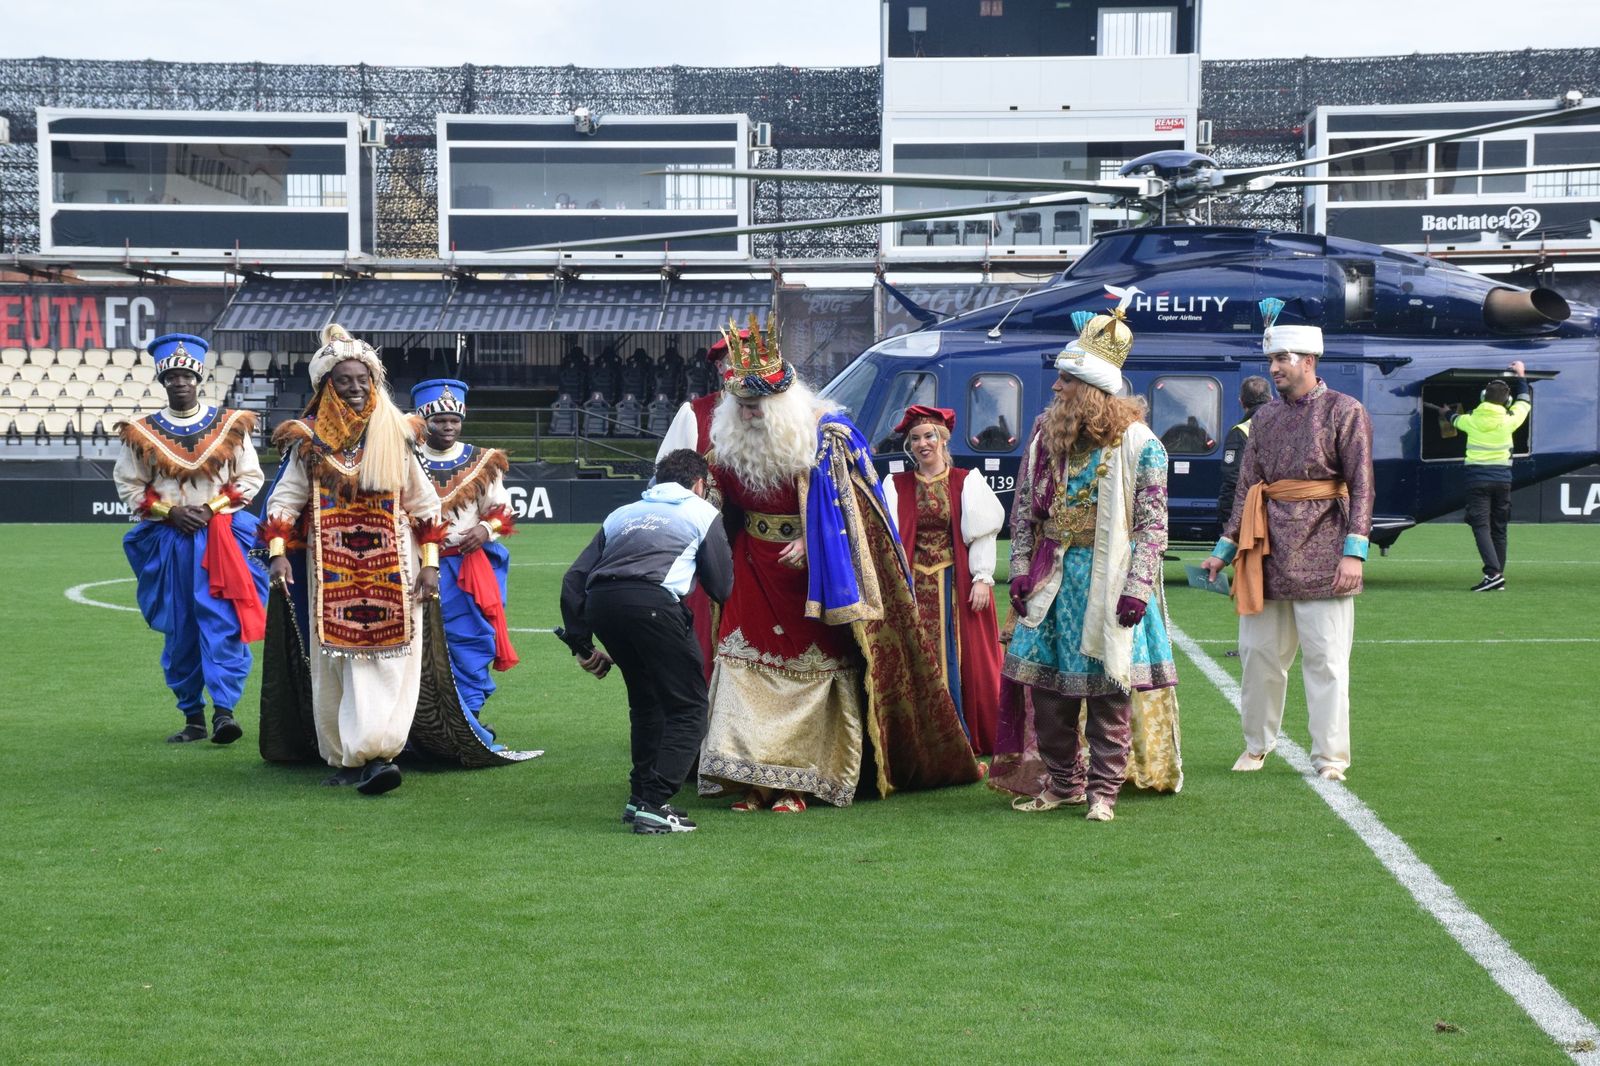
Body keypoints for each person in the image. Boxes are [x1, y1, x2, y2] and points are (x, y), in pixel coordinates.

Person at [696, 315, 981, 813]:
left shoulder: (828, 437)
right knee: (744, 668)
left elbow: (857, 514)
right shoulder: (727, 448)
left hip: (815, 579)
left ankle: (800, 783)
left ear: (782, 402)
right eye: (740, 405)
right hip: (752, 570)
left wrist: (813, 542)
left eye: (757, 405)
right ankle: (753, 780)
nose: (747, 414)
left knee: (811, 672)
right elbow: (716, 508)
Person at [993, 300, 1180, 822]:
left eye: (1066, 381)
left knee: (1107, 695)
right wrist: (1021, 569)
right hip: (1052, 582)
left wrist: (1137, 589)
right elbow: (1024, 512)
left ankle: (1103, 792)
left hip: (1109, 584)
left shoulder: (1142, 445)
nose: (1056, 388)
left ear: (1092, 389)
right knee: (1048, 697)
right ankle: (1064, 784)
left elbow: (1152, 526)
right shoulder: (1044, 438)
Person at [262, 324, 443, 796]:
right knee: (336, 666)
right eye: (345, 380)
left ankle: (378, 755)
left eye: (363, 379)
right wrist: (278, 554)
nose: (356, 387)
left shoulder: (399, 434)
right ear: (327, 385)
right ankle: (347, 756)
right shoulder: (307, 441)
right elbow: (284, 501)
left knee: (391, 663)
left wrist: (430, 563)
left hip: (396, 568)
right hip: (329, 570)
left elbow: (426, 505)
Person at [1201, 305, 1374, 783]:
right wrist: (1223, 549)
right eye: (1271, 360)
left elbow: (1362, 485)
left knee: (1327, 662)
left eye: (1282, 358)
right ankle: (1256, 745)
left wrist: (1355, 552)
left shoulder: (1345, 410)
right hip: (1266, 553)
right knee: (1258, 657)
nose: (1274, 368)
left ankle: (1331, 757)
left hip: (1327, 553)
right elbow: (1246, 489)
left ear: (1309, 361)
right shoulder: (1264, 419)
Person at [558, 449, 734, 834]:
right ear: (700, 484)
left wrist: (582, 646)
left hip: (602, 605)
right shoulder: (702, 511)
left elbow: (573, 580)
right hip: (654, 605)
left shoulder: (623, 513)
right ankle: (655, 804)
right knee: (689, 708)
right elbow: (721, 587)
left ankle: (639, 797)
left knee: (647, 702)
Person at [114, 333, 267, 744]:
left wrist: (212, 507)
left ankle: (224, 712)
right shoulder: (142, 433)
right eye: (172, 376)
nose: (180, 382)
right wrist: (171, 512)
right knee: (181, 627)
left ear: (198, 378)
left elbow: (250, 477)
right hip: (171, 538)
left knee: (223, 623)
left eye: (186, 375)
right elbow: (129, 485)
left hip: (223, 536)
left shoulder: (230, 425)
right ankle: (193, 717)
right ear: (162, 381)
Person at [881, 404, 1005, 755]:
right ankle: (922, 737)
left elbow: (982, 534)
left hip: (954, 584)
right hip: (912, 586)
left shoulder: (966, 482)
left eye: (929, 436)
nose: (922, 444)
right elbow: (888, 540)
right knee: (916, 657)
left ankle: (959, 733)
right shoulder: (896, 486)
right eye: (915, 438)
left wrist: (982, 577)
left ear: (943, 439)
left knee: (959, 657)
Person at [411, 378, 519, 746]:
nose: (448, 427)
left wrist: (486, 530)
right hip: (413, 566)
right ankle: (416, 722)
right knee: (414, 643)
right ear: (424, 420)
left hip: (465, 568)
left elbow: (502, 510)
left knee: (471, 640)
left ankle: (469, 719)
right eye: (439, 420)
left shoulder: (483, 461)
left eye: (454, 421)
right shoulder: (405, 458)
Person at [654, 336, 731, 679]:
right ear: (720, 368)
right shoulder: (695, 414)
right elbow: (665, 480)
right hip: (705, 546)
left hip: (760, 549)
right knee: (702, 638)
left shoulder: (778, 417)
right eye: (733, 362)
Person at [1448, 361, 1531, 591]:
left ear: (1483, 397)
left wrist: (1446, 412)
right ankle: (1497, 576)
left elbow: (1454, 420)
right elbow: (1524, 401)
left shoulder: (1471, 420)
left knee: (1480, 526)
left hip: (1477, 480)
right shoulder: (1510, 419)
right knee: (1499, 527)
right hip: (1503, 480)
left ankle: (1493, 574)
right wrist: (1521, 375)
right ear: (1507, 401)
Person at [1217, 375, 1273, 528]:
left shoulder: (1240, 432)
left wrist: (1227, 514)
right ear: (1271, 399)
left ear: (1241, 401)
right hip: (1280, 509)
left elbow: (1232, 478)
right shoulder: (1285, 425)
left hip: (1249, 512)